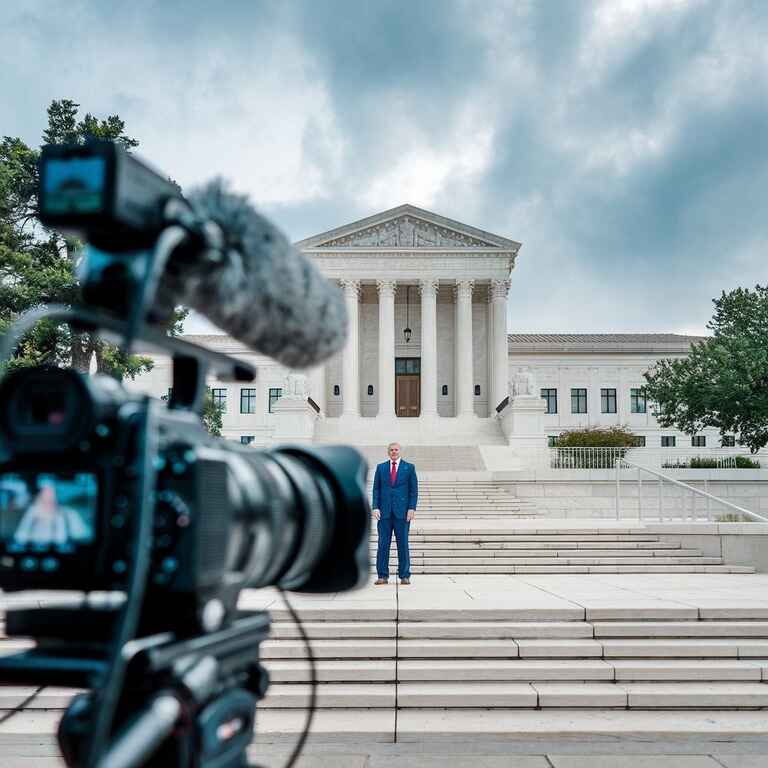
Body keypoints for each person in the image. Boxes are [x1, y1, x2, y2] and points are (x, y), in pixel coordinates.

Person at [371, 442, 418, 585]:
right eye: (391, 450)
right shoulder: (381, 467)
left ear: (400, 451)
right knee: (383, 544)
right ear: (388, 452)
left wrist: (411, 508)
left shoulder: (409, 468)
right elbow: (376, 489)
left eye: (396, 449)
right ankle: (382, 576)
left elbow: (413, 490)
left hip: (402, 513)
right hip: (384, 513)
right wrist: (375, 507)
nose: (394, 452)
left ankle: (404, 575)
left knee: (402, 544)